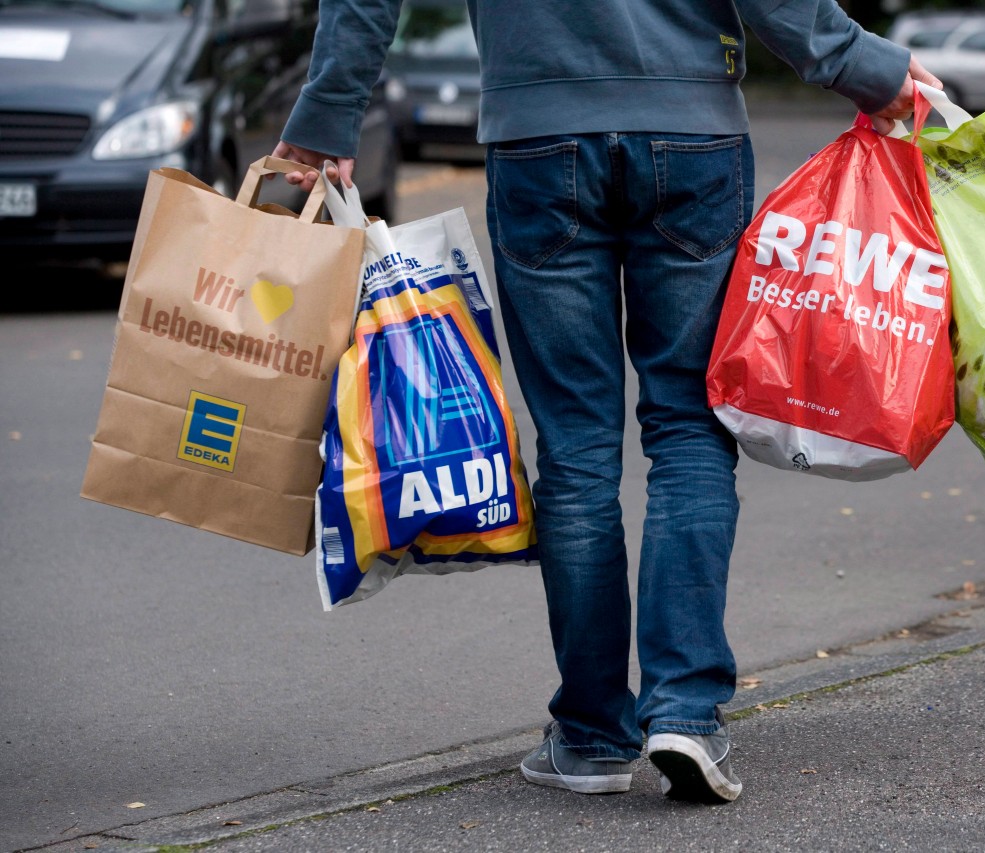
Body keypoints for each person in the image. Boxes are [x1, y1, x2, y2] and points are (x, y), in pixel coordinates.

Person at [275, 0, 939, 805]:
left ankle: (591, 736)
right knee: (690, 429)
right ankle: (686, 713)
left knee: (577, 448)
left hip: (537, 133)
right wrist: (863, 68)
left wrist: (327, 117)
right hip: (690, 129)